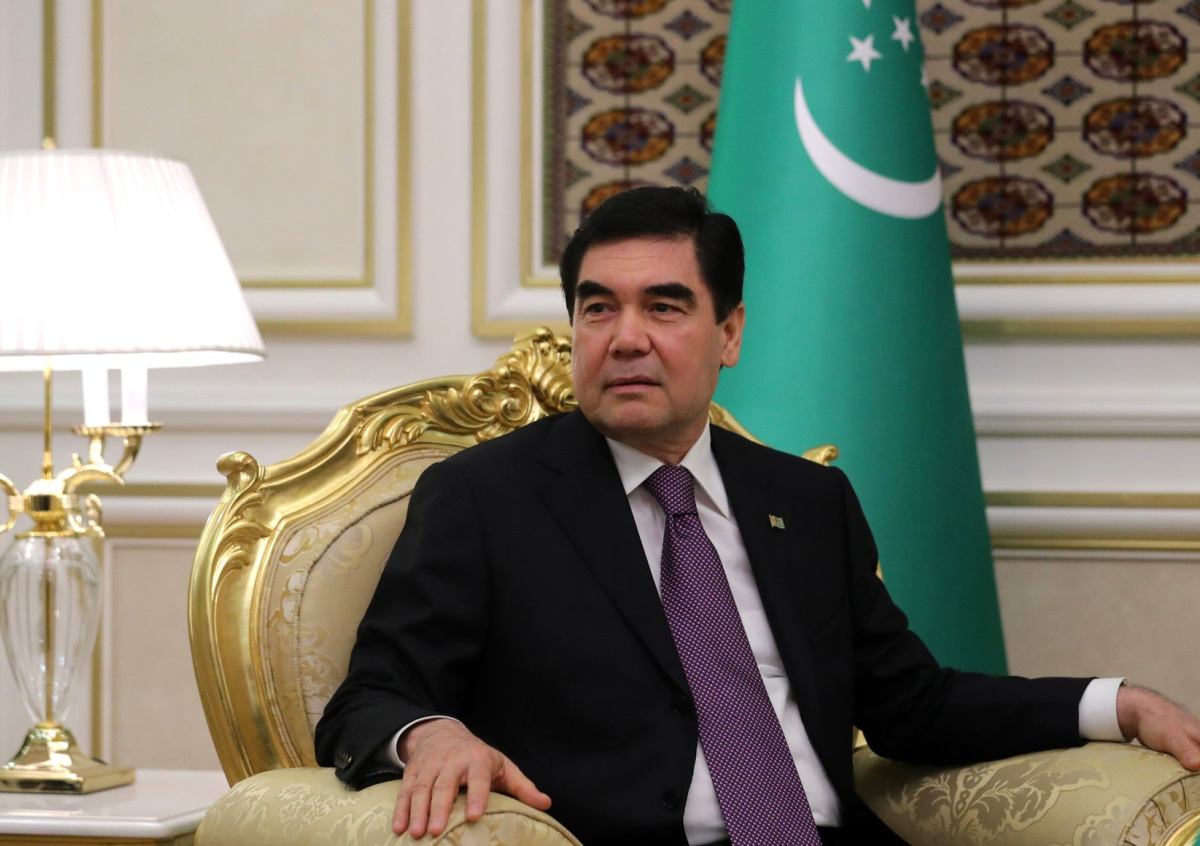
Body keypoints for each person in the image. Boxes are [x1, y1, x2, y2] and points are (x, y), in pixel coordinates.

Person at [315, 186, 1200, 846]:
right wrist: (430, 734)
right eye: (598, 307)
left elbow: (914, 706)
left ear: (730, 333)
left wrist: (1114, 703)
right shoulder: (486, 497)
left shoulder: (806, 500)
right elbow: (370, 695)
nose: (626, 337)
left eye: (665, 306)